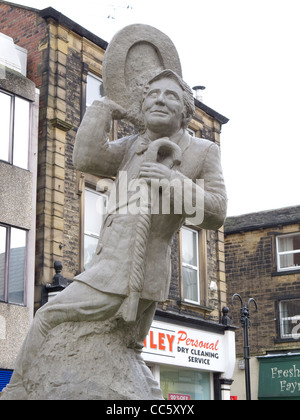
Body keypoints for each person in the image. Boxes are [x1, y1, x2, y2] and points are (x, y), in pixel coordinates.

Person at [3, 69, 227, 398]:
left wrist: (171, 180)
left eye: (170, 96)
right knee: (128, 349)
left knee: (49, 316)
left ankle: (18, 390)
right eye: (152, 94)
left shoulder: (202, 151)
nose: (159, 100)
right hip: (111, 265)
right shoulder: (133, 145)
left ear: (185, 113)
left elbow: (216, 211)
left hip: (130, 273)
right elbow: (85, 157)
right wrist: (105, 108)